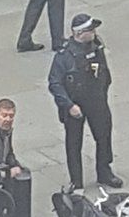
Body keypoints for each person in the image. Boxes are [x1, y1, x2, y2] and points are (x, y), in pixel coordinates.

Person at [48, 13, 123, 191]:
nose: (95, 32)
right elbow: (55, 83)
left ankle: (104, 172)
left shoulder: (96, 46)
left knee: (104, 137)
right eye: (91, 30)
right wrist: (69, 105)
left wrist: (103, 91)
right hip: (75, 104)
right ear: (80, 33)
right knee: (74, 144)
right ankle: (76, 180)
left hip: (97, 100)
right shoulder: (64, 56)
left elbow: (103, 71)